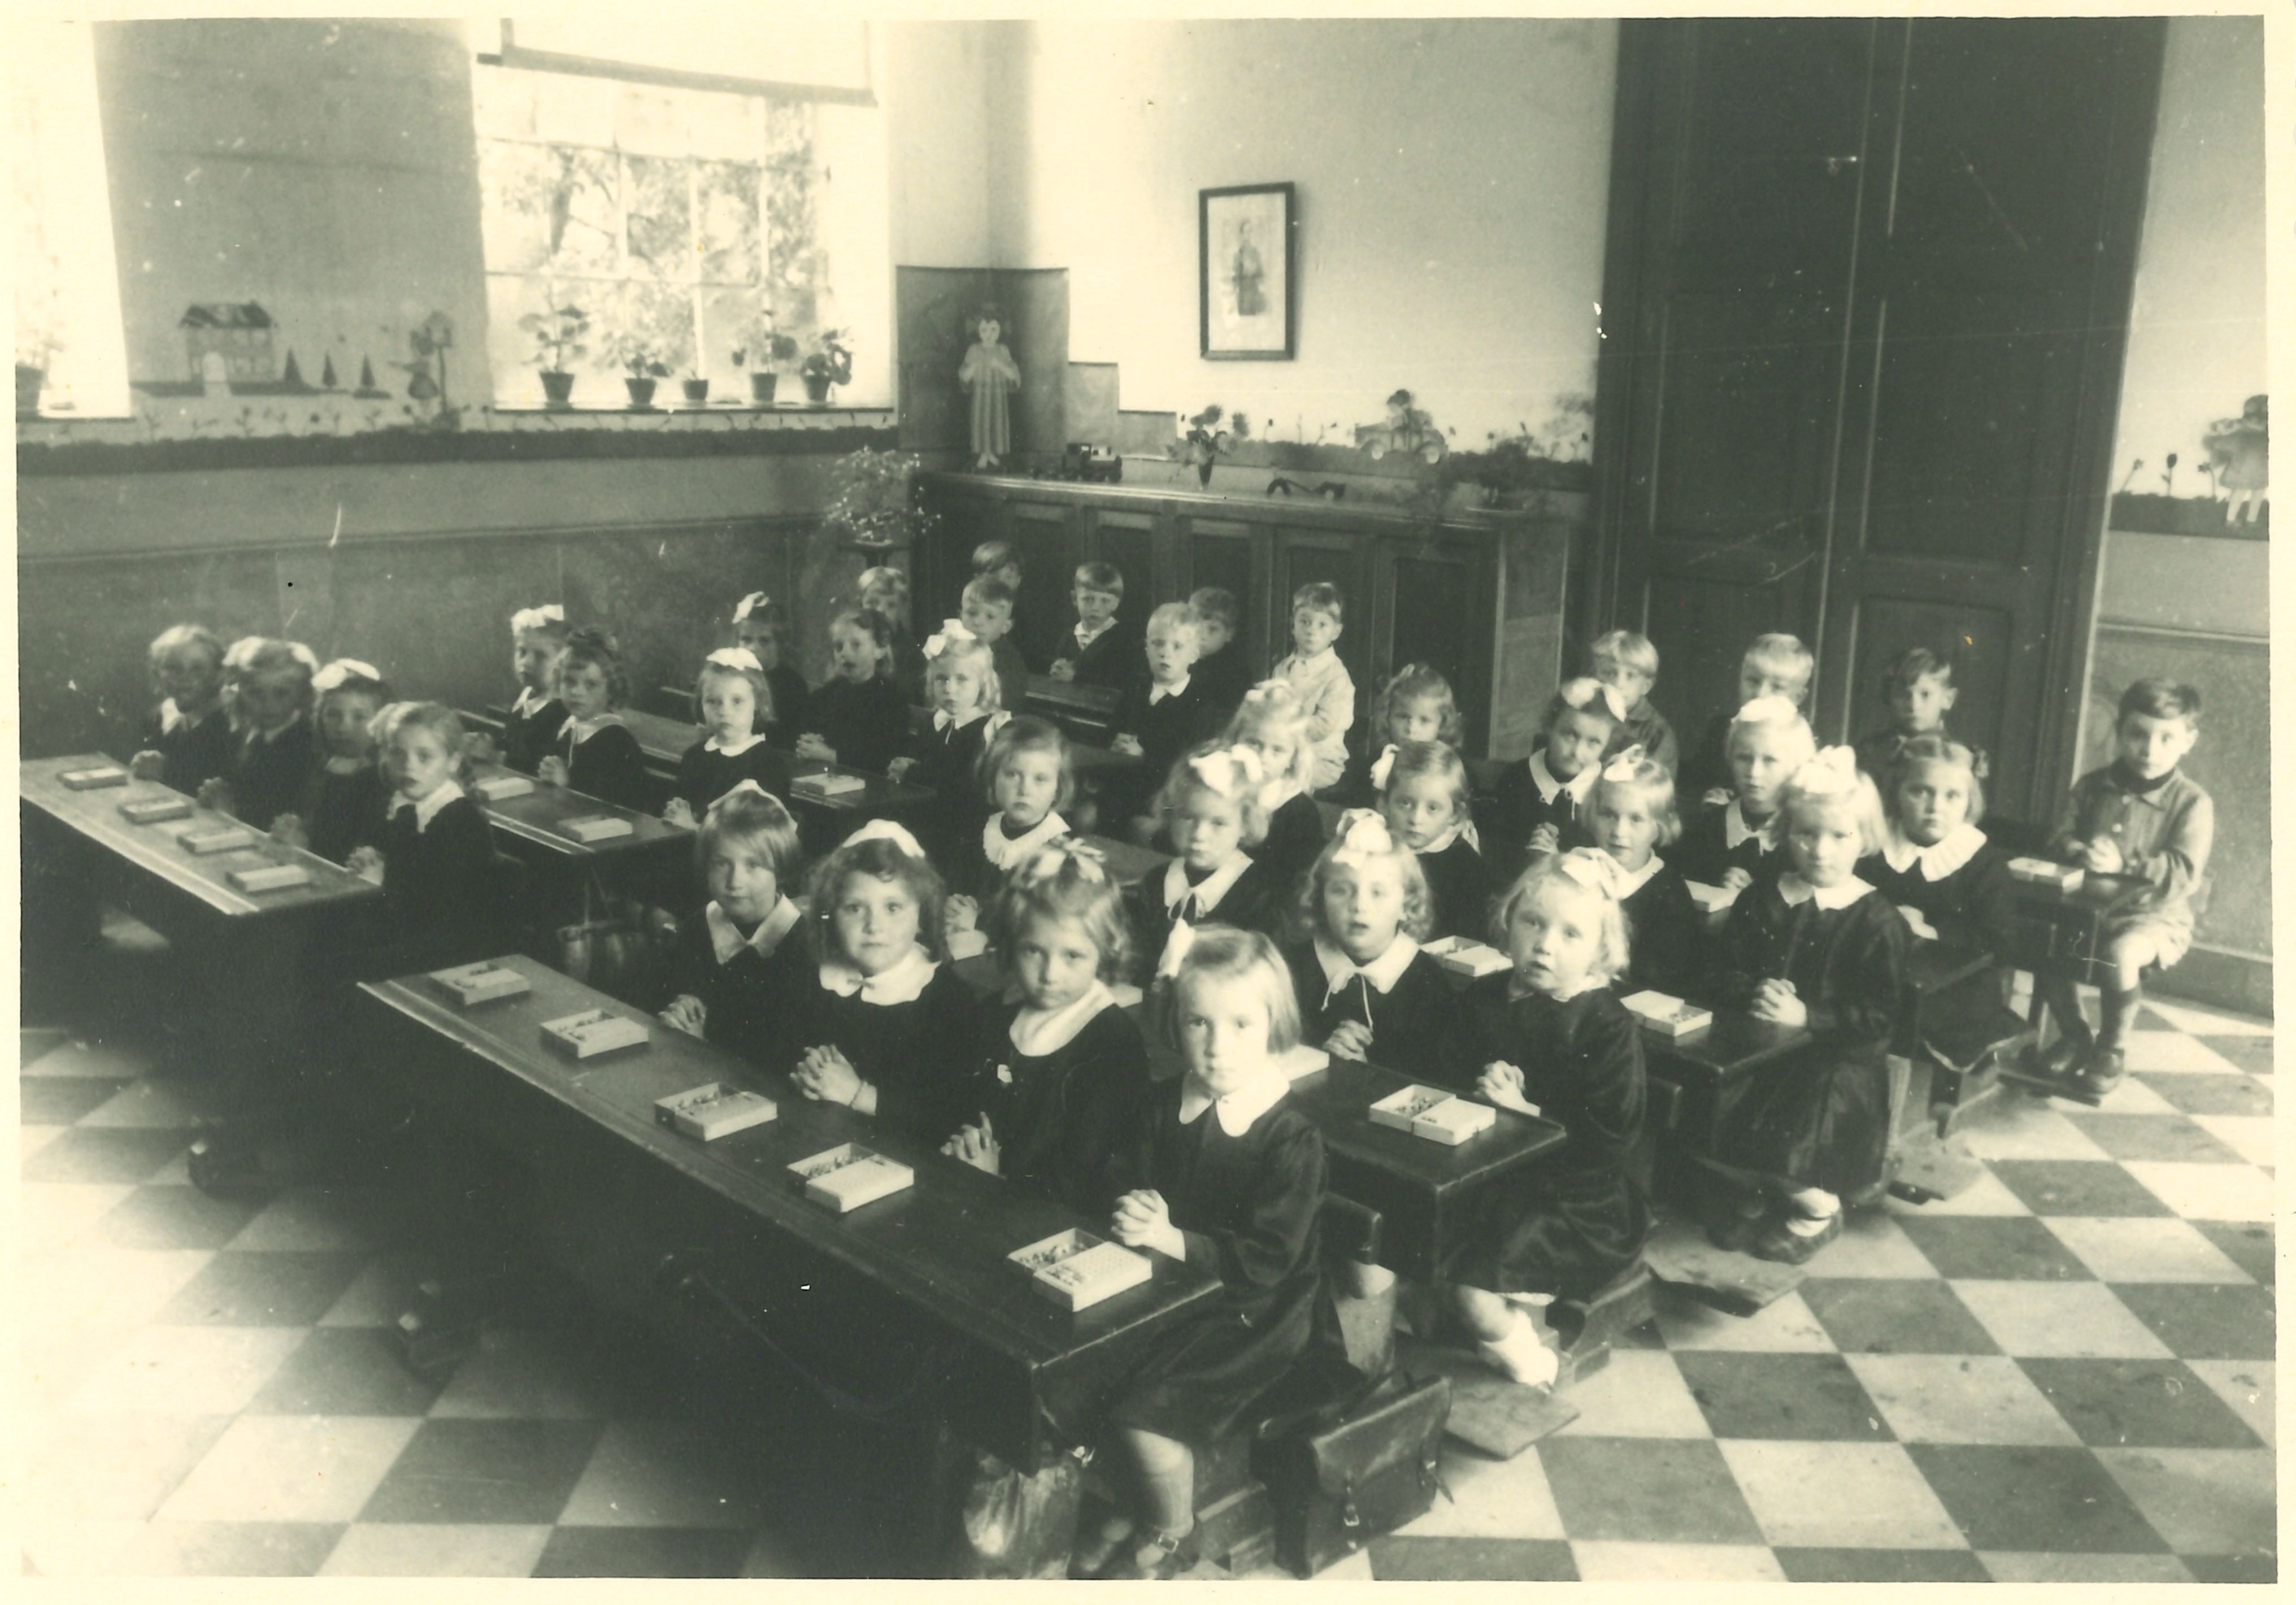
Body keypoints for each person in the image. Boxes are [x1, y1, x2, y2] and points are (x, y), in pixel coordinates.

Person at [1080, 926, 1335, 1581]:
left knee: (1144, 1409)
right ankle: (1132, 1501)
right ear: (1176, 1022)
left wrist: (1172, 1239)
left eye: (1240, 1024)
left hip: (1258, 1313)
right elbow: (1121, 1175)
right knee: (1081, 1366)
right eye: (1198, 1022)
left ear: (1274, 1026)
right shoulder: (1163, 1103)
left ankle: (1172, 1531)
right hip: (1171, 1283)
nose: (1216, 1045)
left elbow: (1268, 1260)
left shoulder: (1290, 1137)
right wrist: (1129, 1207)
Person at [1437, 850, 1649, 1381]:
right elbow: (1444, 1070)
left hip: (1573, 1199)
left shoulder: (1606, 1025)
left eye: (1571, 934)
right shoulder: (1486, 994)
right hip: (1487, 1176)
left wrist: (1527, 1112)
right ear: (1508, 921)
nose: (1544, 944)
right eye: (1533, 922)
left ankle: (1532, 1361)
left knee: (1471, 1290)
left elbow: (1608, 1141)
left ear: (1601, 949)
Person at [1698, 749, 1910, 1263]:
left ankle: (1818, 1209)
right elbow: (1721, 971)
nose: (1820, 850)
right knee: (1712, 1112)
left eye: (1840, 835)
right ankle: (1766, 1188)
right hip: (1762, 1045)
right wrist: (1755, 992)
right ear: (1786, 832)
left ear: (1865, 838)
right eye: (1806, 833)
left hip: (1836, 1059)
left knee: (1793, 1128)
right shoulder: (1763, 898)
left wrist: (1808, 1016)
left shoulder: (1876, 920)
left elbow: (1880, 1016)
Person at [2029, 680, 2214, 1103]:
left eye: (2166, 738)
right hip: (2087, 910)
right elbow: (2059, 836)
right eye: (2138, 734)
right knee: (2045, 946)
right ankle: (2074, 1035)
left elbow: (2183, 873)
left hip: (2154, 917)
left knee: (2121, 953)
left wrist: (2125, 864)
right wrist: (2077, 849)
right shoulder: (2092, 786)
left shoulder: (2192, 802)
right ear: (2119, 731)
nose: (2149, 749)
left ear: (2188, 741)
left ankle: (2111, 1049)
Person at [944, 838, 1150, 1217]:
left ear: (1106, 951)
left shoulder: (1112, 1043)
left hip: (1043, 1215)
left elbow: (1085, 1175)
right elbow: (959, 1104)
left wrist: (994, 1178)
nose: (1050, 974)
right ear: (1010, 945)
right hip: (969, 1184)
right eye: (1033, 951)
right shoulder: (997, 1011)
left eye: (1073, 955)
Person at [783, 819, 982, 1143]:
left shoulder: (947, 998)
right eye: (855, 908)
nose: (874, 926)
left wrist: (858, 1094)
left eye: (893, 908)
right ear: (831, 915)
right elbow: (785, 1054)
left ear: (921, 915)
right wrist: (808, 1073)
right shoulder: (814, 977)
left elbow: (946, 1115)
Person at [1283, 810, 1454, 1082]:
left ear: (1407, 905)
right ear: (1319, 899)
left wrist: (1367, 1070)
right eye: (1341, 890)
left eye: (1378, 893)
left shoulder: (1427, 983)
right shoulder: (1292, 968)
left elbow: (1434, 1080)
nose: (1359, 906)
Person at [658, 782, 809, 1068]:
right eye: (721, 864)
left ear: (780, 869)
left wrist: (702, 1043)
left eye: (753, 866)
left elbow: (784, 1057)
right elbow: (672, 994)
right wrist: (681, 1010)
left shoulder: (803, 946)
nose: (735, 882)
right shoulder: (699, 926)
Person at [1130, 743, 1288, 982]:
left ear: (1245, 824)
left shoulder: (1260, 895)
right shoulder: (1156, 882)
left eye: (1218, 823)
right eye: (1188, 817)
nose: (1199, 835)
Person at [1666, 694, 1814, 892]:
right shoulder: (1710, 826)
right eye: (1744, 758)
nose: (1754, 773)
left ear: (1796, 765)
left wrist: (1755, 897)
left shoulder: (1802, 836)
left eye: (1770, 760)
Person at [942, 715, 1076, 934]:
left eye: (1040, 779)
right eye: (1013, 775)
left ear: (1057, 790)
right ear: (993, 779)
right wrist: (953, 905)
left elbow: (1037, 924)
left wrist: (977, 924)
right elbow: (958, 884)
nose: (1025, 790)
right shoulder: (984, 830)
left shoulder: (1057, 848)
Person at [887, 619, 1007, 857]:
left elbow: (965, 784)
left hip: (966, 830)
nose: (950, 689)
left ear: (983, 684)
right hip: (930, 818)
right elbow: (924, 763)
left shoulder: (988, 728)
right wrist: (904, 767)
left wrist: (912, 772)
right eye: (942, 679)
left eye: (962, 679)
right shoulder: (935, 722)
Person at [1587, 745, 1699, 998]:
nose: (1619, 831)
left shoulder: (1668, 893)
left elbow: (1658, 982)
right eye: (1609, 815)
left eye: (1636, 819)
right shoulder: (1580, 869)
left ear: (1658, 827)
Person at [1106, 603, 1220, 832]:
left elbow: (1187, 760)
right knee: (1088, 814)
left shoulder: (1199, 703)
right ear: (1146, 648)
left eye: (1177, 646)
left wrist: (1144, 755)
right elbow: (1113, 727)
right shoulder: (1137, 688)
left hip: (1166, 793)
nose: (1165, 653)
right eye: (1158, 643)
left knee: (1141, 828)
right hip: (1126, 782)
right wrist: (1115, 742)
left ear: (1194, 655)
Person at [1488, 678, 1623, 864]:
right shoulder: (1516, 779)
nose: (1577, 752)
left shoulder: (1606, 791)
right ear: (1550, 726)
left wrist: (1556, 860)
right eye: (1570, 735)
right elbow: (1496, 851)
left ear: (1607, 745)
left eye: (1593, 742)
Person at [272, 658, 392, 866]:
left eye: (359, 717)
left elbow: (357, 853)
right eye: (333, 715)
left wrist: (306, 846)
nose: (343, 728)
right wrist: (292, 828)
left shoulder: (381, 783)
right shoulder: (318, 767)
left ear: (381, 723)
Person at [1677, 633, 1816, 812]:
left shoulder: (1800, 741)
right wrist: (1710, 796)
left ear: (1798, 697)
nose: (1760, 694)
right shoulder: (1721, 728)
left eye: (1777, 687)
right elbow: (1696, 783)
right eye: (1753, 681)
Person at [198, 638, 320, 832]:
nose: (268, 704)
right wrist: (212, 793)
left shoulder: (306, 744)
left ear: (302, 695)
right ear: (240, 691)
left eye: (281, 694)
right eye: (255, 694)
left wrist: (228, 812)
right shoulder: (240, 732)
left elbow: (279, 816)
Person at [1379, 738, 1492, 942]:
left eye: (1432, 808)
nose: (1416, 819)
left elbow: (1468, 938)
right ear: (1386, 803)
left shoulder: (1466, 867)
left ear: (1454, 814)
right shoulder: (1375, 850)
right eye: (1405, 803)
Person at [1224, 680, 1329, 894]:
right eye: (1253, 743)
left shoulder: (1299, 812)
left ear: (1293, 757)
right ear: (1236, 739)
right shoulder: (1218, 788)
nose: (1263, 757)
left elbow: (1294, 885)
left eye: (1278, 750)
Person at [536, 626, 649, 809]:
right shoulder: (569, 728)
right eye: (569, 681)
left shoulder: (617, 742)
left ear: (611, 689)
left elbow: (615, 806)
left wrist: (567, 784)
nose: (576, 692)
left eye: (590, 685)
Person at [1330, 662, 1462, 808]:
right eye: (1403, 717)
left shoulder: (1447, 768)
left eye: (1424, 721)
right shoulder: (1376, 764)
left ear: (1441, 726)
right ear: (1388, 716)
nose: (1411, 729)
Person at [1853, 645, 1989, 786]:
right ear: (1889, 698)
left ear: (1947, 699)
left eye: (1925, 695)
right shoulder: (1871, 752)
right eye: (1903, 695)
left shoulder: (1963, 757)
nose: (1914, 706)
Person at [797, 610, 910, 775]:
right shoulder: (827, 694)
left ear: (879, 650)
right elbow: (807, 729)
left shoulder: (890, 698)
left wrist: (830, 755)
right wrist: (810, 741)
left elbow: (883, 757)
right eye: (839, 647)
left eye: (856, 645)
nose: (845, 653)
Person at [129, 623, 233, 795]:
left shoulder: (230, 722)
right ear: (156, 674)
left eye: (197, 669)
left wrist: (167, 772)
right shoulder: (158, 717)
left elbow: (222, 785)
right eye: (173, 668)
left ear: (217, 674)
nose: (185, 677)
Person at [1271, 582, 1355, 793]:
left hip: (1320, 760)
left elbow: (1323, 726)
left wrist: (1283, 731)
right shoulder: (1283, 669)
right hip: (1283, 751)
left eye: (1322, 625)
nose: (1311, 630)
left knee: (1284, 782)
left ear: (1336, 632)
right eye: (1305, 622)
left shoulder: (1337, 677)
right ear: (1293, 625)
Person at [1590, 629, 1680, 778]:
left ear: (1646, 686)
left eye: (1630, 676)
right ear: (1595, 676)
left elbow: (1653, 783)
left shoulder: (1656, 732)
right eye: (1609, 673)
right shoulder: (1585, 714)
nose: (1618, 684)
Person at [498, 603, 571, 774]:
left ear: (563, 663)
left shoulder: (561, 712)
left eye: (540, 656)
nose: (527, 662)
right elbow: (510, 745)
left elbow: (532, 763)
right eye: (522, 652)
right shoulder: (525, 698)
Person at [733, 591, 809, 746]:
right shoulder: (729, 677)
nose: (753, 648)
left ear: (779, 644)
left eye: (764, 641)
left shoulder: (793, 687)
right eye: (746, 639)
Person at [1050, 561, 1140, 693]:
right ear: (1075, 599)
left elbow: (1120, 683)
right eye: (1088, 599)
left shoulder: (1123, 641)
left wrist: (1076, 677)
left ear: (1115, 604)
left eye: (1105, 601)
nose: (1095, 608)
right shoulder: (1069, 637)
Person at [958, 573, 1031, 712]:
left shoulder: (1010, 662)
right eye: (972, 614)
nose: (978, 622)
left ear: (1006, 626)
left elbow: (1006, 704)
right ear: (960, 616)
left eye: (990, 617)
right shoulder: (953, 650)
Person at [959, 308, 1021, 470]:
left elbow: (1014, 376)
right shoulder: (974, 350)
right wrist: (975, 366)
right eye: (984, 330)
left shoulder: (1003, 350)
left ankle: (992, 455)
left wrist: (1000, 366)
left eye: (994, 330)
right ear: (978, 332)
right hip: (980, 398)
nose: (989, 334)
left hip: (999, 398)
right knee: (981, 423)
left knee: (997, 424)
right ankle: (984, 455)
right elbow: (964, 377)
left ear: (1000, 331)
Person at [859, 566, 927, 707]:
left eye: (891, 605)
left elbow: (912, 695)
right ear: (861, 604)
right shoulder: (852, 640)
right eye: (872, 603)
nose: (880, 611)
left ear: (902, 608)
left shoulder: (909, 649)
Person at [1186, 587, 1253, 721]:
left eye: (1212, 629)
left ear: (1229, 634)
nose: (1202, 636)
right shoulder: (1181, 662)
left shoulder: (1235, 673)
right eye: (1196, 627)